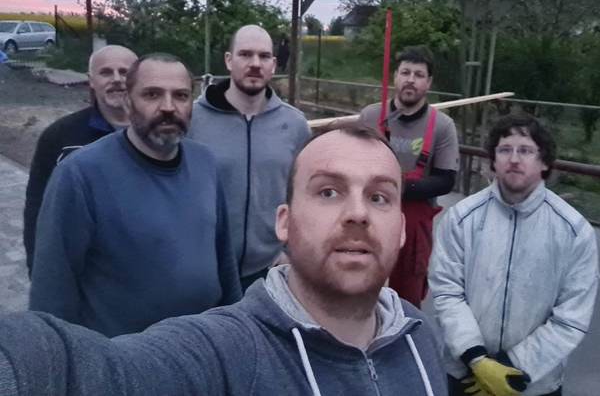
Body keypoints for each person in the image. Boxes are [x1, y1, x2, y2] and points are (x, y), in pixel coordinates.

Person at [0, 125, 448, 396]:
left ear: (401, 229)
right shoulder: (225, 354)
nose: (357, 213)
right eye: (328, 191)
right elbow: (91, 372)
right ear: (285, 222)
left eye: (379, 197)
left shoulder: (419, 335)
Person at [29, 53, 241, 337]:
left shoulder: (206, 163)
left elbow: (224, 257)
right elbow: (52, 288)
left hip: (205, 344)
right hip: (123, 356)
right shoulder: (80, 175)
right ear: (128, 102)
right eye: (152, 94)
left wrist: (236, 329)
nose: (168, 107)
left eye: (180, 95)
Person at [429, 113, 599, 396]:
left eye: (526, 151)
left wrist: (512, 368)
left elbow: (571, 317)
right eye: (505, 150)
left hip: (533, 384)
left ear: (544, 162)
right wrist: (477, 360)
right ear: (493, 160)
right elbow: (447, 291)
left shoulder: (574, 231)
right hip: (466, 377)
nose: (514, 159)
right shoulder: (461, 218)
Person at [189, 24, 310, 291]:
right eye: (245, 54)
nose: (255, 63)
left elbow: (304, 193)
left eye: (264, 56)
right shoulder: (193, 120)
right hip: (205, 270)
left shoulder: (295, 125)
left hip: (269, 272)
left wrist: (290, 250)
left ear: (273, 64)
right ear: (228, 60)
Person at [23, 44, 137, 274]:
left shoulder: (159, 134)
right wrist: (38, 266)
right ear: (91, 81)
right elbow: (38, 206)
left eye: (124, 72)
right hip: (82, 268)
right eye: (106, 72)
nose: (116, 79)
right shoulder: (60, 137)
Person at [359, 47, 459, 306]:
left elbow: (446, 180)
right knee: (361, 290)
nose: (410, 80)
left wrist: (397, 187)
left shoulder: (442, 126)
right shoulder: (371, 116)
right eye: (405, 72)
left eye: (418, 75)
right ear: (395, 76)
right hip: (369, 219)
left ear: (429, 82)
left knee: (407, 301)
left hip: (414, 227)